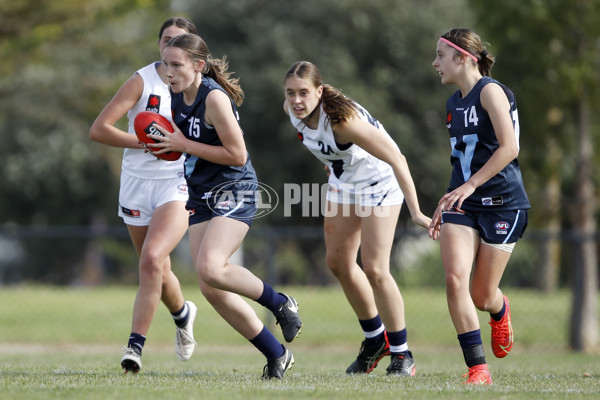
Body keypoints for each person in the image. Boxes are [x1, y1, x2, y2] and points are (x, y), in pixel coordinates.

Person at [146, 33, 302, 380]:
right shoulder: (175, 95)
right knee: (210, 286)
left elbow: (238, 154)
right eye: (166, 64)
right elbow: (187, 144)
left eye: (176, 65)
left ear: (198, 66)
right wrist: (165, 146)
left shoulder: (212, 98)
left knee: (213, 267)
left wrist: (181, 143)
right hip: (201, 193)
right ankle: (277, 354)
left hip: (235, 188)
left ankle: (280, 303)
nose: (168, 72)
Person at [282, 61, 430, 376]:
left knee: (375, 269)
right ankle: (375, 339)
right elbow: (327, 149)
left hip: (379, 184)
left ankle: (403, 354)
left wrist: (416, 212)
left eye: (304, 93)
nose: (296, 100)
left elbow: (397, 158)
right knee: (338, 263)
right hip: (343, 185)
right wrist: (333, 163)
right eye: (291, 92)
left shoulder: (341, 122)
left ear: (319, 92)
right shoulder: (292, 110)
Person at [89, 17, 199, 374]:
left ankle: (134, 348)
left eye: (180, 42)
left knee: (151, 259)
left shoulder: (199, 87)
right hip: (137, 184)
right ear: (159, 45)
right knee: (158, 267)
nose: (172, 48)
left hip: (175, 183)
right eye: (167, 40)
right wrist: (145, 142)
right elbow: (99, 129)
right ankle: (183, 314)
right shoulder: (142, 80)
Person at [429, 28, 530, 385]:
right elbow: (462, 162)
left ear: (463, 57)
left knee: (481, 295)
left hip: (504, 203)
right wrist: (448, 199)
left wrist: (471, 184)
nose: (435, 62)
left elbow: (509, 147)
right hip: (465, 203)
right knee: (455, 278)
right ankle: (478, 368)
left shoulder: (490, 91)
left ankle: (499, 309)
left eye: (441, 55)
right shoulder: (453, 103)